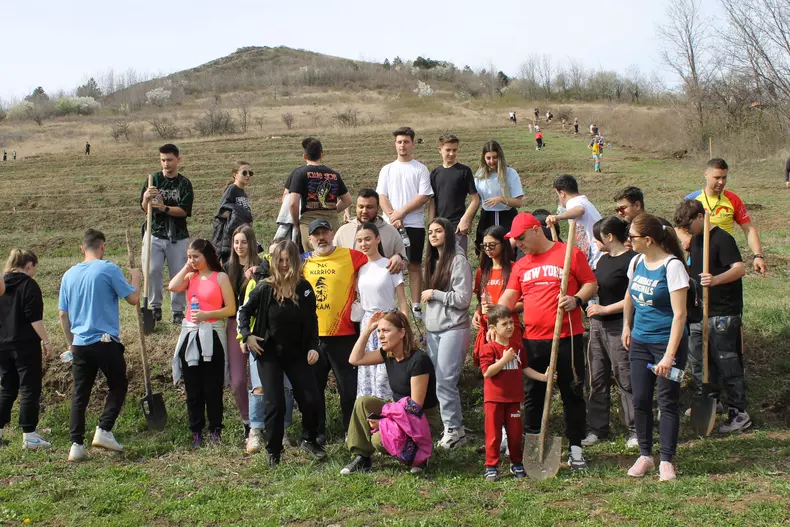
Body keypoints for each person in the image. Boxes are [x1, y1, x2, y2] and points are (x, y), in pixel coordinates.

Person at [498, 213, 598, 471]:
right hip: (533, 339)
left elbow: (591, 283)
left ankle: (575, 448)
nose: (518, 243)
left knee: (572, 392)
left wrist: (576, 299)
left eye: (521, 237)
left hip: (567, 337)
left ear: (536, 229)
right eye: (514, 239)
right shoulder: (521, 265)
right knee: (533, 395)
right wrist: (492, 319)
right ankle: (534, 445)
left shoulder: (569, 253)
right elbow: (509, 297)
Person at [238, 240, 327, 465]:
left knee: (311, 398)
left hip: (297, 353)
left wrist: (313, 347)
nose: (285, 264)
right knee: (275, 403)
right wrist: (247, 335)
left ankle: (309, 439)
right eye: (281, 260)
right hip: (269, 354)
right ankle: (274, 451)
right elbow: (244, 311)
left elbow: (312, 320)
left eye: (289, 260)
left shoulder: (304, 288)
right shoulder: (264, 288)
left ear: (296, 261)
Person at [58, 229, 141, 462]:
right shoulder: (108, 269)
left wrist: (71, 344)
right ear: (102, 247)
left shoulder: (69, 275)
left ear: (82, 248)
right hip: (105, 341)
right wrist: (136, 277)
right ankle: (104, 429)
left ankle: (76, 444)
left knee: (80, 394)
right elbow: (133, 299)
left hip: (80, 344)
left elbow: (63, 314)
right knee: (118, 385)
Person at [622, 215, 689, 482]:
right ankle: (645, 455)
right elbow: (629, 295)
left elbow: (680, 315)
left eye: (632, 237)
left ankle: (667, 460)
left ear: (648, 240)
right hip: (640, 342)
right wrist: (627, 325)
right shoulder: (636, 261)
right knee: (640, 399)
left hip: (668, 344)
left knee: (667, 401)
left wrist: (669, 356)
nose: (628, 241)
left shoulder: (673, 267)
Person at [674, 200, 750, 433]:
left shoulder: (722, 239)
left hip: (722, 312)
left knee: (726, 362)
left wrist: (715, 280)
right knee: (700, 360)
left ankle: (739, 412)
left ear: (700, 217)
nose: (687, 231)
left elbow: (739, 268)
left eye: (689, 226)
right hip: (700, 312)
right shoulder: (697, 240)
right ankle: (710, 401)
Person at [341, 311, 440, 475]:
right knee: (363, 402)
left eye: (386, 331)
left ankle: (419, 453)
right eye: (379, 331)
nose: (381, 336)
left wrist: (383, 423)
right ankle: (362, 457)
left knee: (378, 439)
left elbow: (414, 408)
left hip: (422, 419)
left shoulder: (419, 360)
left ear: (401, 333)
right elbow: (354, 359)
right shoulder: (389, 354)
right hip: (397, 411)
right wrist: (367, 330)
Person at [303, 219, 368, 443]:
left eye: (325, 232)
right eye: (316, 234)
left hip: (344, 335)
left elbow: (376, 260)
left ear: (333, 234)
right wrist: (255, 268)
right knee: (314, 388)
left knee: (348, 388)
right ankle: (318, 432)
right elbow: (276, 262)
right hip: (313, 337)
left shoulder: (351, 255)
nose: (321, 238)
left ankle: (351, 431)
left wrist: (398, 257)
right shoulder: (303, 260)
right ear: (310, 239)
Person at [169, 239, 236, 446]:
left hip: (212, 333)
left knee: (212, 387)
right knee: (193, 387)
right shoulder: (190, 277)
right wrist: (186, 267)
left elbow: (230, 309)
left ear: (207, 256)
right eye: (189, 256)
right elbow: (172, 286)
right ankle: (196, 430)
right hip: (191, 334)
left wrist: (208, 314)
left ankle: (215, 429)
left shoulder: (220, 277)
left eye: (196, 256)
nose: (192, 260)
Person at [237, 238, 296, 454]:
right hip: (260, 344)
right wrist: (244, 337)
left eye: (283, 257)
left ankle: (283, 429)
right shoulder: (257, 281)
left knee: (286, 388)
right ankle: (255, 430)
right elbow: (244, 310)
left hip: (287, 346)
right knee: (259, 388)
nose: (278, 261)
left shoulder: (296, 282)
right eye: (273, 256)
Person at [583, 217, 638, 448]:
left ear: (609, 237)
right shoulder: (602, 260)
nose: (595, 243)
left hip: (618, 326)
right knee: (596, 377)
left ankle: (635, 429)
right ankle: (598, 428)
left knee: (624, 376)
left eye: (597, 238)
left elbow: (633, 297)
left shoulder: (632, 260)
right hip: (597, 326)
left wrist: (606, 309)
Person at [479, 305, 549, 481]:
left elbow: (525, 368)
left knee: (515, 434)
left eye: (511, 322)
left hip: (514, 399)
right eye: (504, 324)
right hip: (494, 399)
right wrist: (504, 360)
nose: (510, 326)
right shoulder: (488, 349)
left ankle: (516, 462)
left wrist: (544, 377)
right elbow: (487, 372)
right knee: (494, 435)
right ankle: (491, 466)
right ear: (493, 328)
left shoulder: (517, 347)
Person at [422, 218, 473, 449]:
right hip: (434, 329)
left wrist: (435, 293)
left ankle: (453, 430)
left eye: (438, 231)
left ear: (448, 234)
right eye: (430, 232)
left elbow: (463, 299)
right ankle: (455, 429)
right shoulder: (433, 260)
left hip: (453, 328)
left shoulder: (458, 260)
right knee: (440, 381)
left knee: (445, 381)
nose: (433, 235)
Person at [376, 126, 433, 318]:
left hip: (414, 225)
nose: (402, 145)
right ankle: (389, 304)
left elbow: (424, 196)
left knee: (414, 265)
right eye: (399, 142)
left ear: (413, 144)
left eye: (406, 142)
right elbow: (382, 196)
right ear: (395, 144)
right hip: (389, 226)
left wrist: (401, 212)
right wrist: (392, 216)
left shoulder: (421, 169)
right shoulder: (387, 169)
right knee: (387, 264)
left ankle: (416, 306)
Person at [0, 249, 53, 449]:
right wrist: (46, 341)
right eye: (35, 268)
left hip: (2, 344)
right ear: (30, 265)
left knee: (7, 388)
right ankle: (29, 435)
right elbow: (34, 318)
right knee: (29, 388)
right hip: (25, 345)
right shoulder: (29, 285)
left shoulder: (2, 283)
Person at [140, 143, 194, 325]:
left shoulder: (184, 184)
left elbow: (184, 210)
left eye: (169, 160)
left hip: (177, 235)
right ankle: (155, 307)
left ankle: (178, 311)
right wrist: (146, 199)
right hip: (154, 232)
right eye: (163, 160)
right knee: (152, 270)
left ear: (178, 159)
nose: (166, 163)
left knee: (178, 273)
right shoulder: (152, 180)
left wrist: (164, 207)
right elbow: (144, 208)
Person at [354, 222, 410, 399]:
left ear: (378, 239)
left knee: (383, 377)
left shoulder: (390, 265)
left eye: (368, 239)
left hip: (389, 322)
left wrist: (404, 328)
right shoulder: (360, 269)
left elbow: (402, 301)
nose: (364, 244)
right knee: (367, 374)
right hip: (368, 324)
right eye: (360, 240)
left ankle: (389, 412)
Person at [684, 158, 767, 276]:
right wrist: (687, 239)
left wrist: (758, 255)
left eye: (724, 177)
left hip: (726, 257)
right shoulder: (692, 199)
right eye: (717, 177)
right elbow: (679, 227)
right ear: (706, 174)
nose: (721, 182)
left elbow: (748, 228)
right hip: (699, 255)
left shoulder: (733, 199)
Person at [223, 225, 262, 439]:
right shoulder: (226, 267)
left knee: (260, 381)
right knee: (238, 380)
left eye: (244, 242)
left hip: (257, 325)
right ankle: (247, 421)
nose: (239, 246)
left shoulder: (261, 266)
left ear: (251, 243)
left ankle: (262, 422)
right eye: (236, 242)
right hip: (234, 325)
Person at [289, 137, 352, 251]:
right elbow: (347, 200)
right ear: (322, 155)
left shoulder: (300, 173)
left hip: (309, 222)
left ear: (304, 156)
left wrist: (297, 224)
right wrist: (333, 210)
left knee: (312, 257)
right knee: (334, 255)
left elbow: (293, 203)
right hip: (331, 222)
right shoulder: (334, 175)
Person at [472, 225, 523, 366]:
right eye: (485, 246)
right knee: (489, 369)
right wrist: (477, 312)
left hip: (508, 328)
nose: (488, 249)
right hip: (487, 327)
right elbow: (480, 299)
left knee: (510, 368)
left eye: (492, 245)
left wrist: (498, 308)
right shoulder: (482, 271)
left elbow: (523, 303)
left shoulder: (515, 268)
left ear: (503, 244)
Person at [427, 134, 480, 253]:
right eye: (448, 150)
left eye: (454, 150)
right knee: (439, 260)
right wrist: (430, 225)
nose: (451, 153)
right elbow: (432, 201)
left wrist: (465, 219)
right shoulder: (435, 173)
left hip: (457, 226)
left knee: (458, 258)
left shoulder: (464, 171)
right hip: (439, 226)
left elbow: (475, 199)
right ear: (440, 149)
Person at [334, 188, 407, 273]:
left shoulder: (391, 232)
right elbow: (332, 258)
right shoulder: (343, 232)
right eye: (361, 207)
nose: (364, 211)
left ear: (378, 208)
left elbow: (404, 260)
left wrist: (399, 257)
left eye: (369, 207)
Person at [473, 140, 524, 255]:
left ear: (500, 156)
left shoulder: (510, 173)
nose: (492, 161)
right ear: (484, 158)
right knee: (486, 250)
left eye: (495, 157)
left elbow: (519, 202)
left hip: (506, 217)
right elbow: (476, 200)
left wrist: (501, 199)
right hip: (487, 217)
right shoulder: (480, 175)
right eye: (488, 158)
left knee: (508, 250)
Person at [546, 174, 603, 268]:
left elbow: (580, 210)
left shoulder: (573, 202)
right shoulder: (583, 201)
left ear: (562, 193)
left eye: (558, 195)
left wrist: (557, 217)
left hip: (596, 256)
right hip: (596, 255)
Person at [212, 162, 254, 264]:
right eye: (244, 173)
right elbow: (221, 212)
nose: (248, 175)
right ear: (235, 175)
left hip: (241, 236)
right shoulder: (232, 189)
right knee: (230, 266)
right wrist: (236, 216)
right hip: (230, 238)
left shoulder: (243, 193)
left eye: (250, 173)